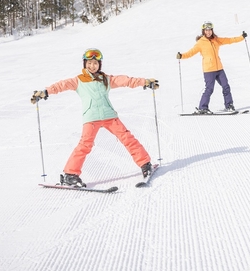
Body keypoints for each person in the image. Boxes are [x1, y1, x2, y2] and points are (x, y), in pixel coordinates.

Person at [30, 48, 159, 188]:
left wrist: (144, 82)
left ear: (100, 65)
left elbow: (125, 81)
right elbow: (61, 85)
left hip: (109, 116)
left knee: (127, 138)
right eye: (90, 63)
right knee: (85, 145)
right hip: (91, 118)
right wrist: (46, 91)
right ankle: (70, 175)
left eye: (96, 63)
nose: (93, 66)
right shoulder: (78, 81)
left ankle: (145, 164)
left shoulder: (105, 79)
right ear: (85, 64)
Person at [177, 21, 247, 114]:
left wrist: (241, 37)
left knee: (226, 86)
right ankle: (202, 108)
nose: (208, 32)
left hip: (219, 68)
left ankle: (229, 105)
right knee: (209, 89)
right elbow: (191, 52)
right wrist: (181, 56)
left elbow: (229, 40)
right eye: (206, 30)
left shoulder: (216, 39)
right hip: (209, 70)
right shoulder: (200, 43)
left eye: (210, 30)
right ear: (203, 31)